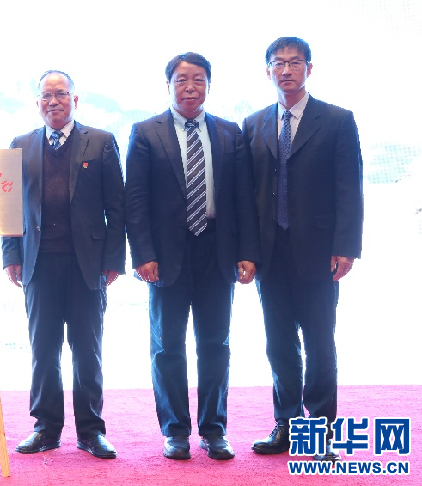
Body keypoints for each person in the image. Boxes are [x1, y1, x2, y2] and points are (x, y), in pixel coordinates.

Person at [125, 52, 260, 461]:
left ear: (208, 85)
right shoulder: (146, 133)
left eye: (198, 79)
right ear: (168, 85)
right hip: (165, 256)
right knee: (167, 346)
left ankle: (214, 430)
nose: (190, 87)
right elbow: (136, 201)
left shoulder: (229, 133)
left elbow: (243, 198)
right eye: (182, 80)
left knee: (216, 344)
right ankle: (175, 431)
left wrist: (247, 252)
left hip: (217, 251)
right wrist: (143, 254)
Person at [242, 37, 363, 462]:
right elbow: (247, 195)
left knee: (319, 343)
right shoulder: (254, 124)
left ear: (309, 69)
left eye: (295, 63)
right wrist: (247, 250)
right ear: (268, 71)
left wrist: (346, 247)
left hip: (319, 252)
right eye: (279, 63)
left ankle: (321, 429)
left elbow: (349, 188)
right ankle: (286, 423)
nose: (287, 70)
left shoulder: (337, 120)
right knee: (279, 345)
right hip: (270, 254)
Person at [1, 70, 125, 460]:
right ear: (37, 101)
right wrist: (11, 255)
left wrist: (114, 260)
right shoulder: (20, 145)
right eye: (46, 95)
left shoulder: (100, 142)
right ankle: (45, 428)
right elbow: (9, 207)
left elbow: (117, 208)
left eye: (60, 94)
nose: (53, 101)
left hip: (87, 264)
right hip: (38, 264)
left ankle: (91, 431)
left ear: (75, 99)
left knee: (87, 350)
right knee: (44, 349)